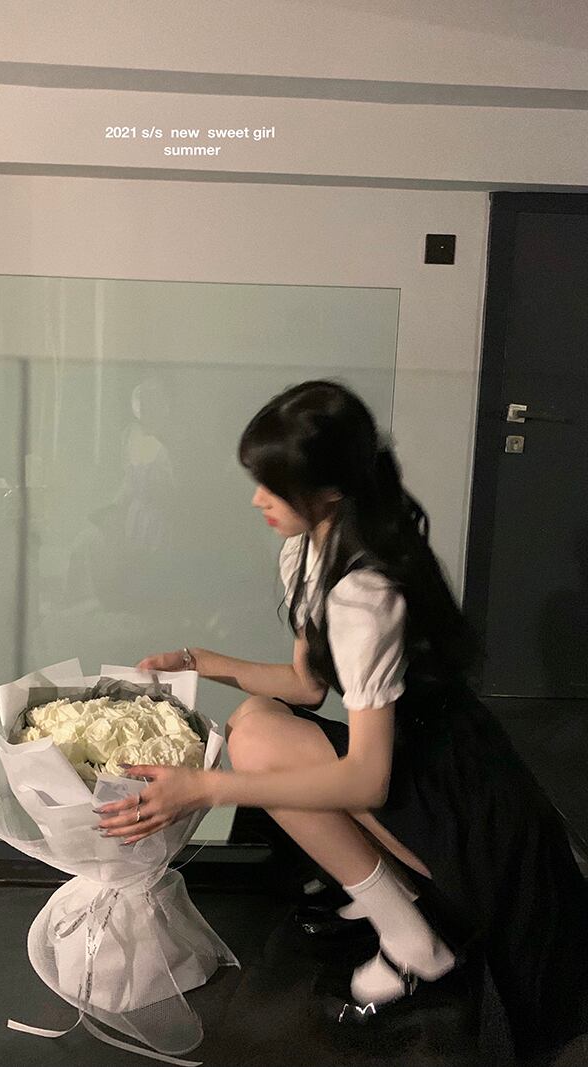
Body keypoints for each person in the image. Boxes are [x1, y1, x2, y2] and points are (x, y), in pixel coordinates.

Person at [93, 379, 588, 1064]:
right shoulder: (309, 550)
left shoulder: (364, 594)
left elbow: (367, 781)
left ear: (327, 491)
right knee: (254, 723)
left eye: (273, 486)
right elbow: (305, 685)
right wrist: (199, 660)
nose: (257, 500)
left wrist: (204, 789)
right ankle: (403, 910)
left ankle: (415, 940)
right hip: (410, 758)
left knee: (256, 748)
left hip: (457, 791)